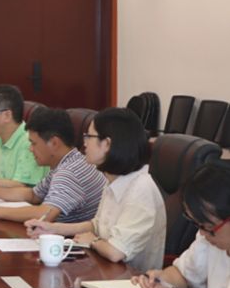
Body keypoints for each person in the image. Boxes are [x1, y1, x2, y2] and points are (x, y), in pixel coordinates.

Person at [25, 108, 165, 272]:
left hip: (130, 279)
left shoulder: (141, 189)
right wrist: (52, 228)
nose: (84, 142)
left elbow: (116, 252)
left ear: (107, 144)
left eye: (89, 137)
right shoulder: (113, 179)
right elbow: (96, 225)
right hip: (106, 270)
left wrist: (93, 241)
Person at [132, 161, 230, 288]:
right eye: (198, 225)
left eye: (208, 227)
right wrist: (163, 280)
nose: (203, 234)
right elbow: (184, 274)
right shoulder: (209, 238)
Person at [0, 107, 105, 224]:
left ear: (54, 143)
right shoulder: (70, 161)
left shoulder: (69, 172)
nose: (30, 149)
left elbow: (45, 214)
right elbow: (33, 195)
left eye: (34, 143)